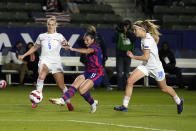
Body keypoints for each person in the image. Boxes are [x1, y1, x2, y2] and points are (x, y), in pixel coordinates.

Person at [114, 20, 184, 114]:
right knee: (130, 81)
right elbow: (157, 38)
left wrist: (133, 56)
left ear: (142, 29)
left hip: (156, 68)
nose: (134, 32)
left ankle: (179, 102)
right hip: (146, 66)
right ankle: (125, 106)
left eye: (135, 30)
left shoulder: (147, 41)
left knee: (164, 88)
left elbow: (146, 57)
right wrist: (154, 46)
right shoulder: (147, 36)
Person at [18, 16, 74, 111]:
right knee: (41, 75)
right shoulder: (42, 36)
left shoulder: (59, 36)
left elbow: (67, 45)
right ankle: (36, 100)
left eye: (52, 25)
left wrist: (66, 45)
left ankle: (68, 102)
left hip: (56, 62)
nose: (50, 26)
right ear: (46, 25)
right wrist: (24, 55)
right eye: (49, 24)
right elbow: (35, 47)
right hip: (44, 60)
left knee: (61, 85)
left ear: (55, 25)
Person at [49, 31, 103, 113]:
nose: (85, 42)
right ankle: (62, 99)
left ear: (93, 40)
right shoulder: (89, 47)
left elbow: (88, 51)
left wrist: (72, 49)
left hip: (97, 73)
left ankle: (92, 103)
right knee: (76, 83)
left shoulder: (95, 46)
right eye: (85, 40)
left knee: (81, 90)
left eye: (87, 40)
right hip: (88, 72)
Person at [79, 25, 112, 91]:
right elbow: (82, 44)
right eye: (89, 30)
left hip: (96, 58)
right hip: (88, 57)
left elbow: (103, 46)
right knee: (90, 71)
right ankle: (91, 85)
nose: (89, 31)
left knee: (102, 71)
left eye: (90, 30)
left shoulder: (98, 37)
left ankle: (106, 85)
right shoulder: (86, 37)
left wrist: (104, 55)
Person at [112, 20, 136, 90]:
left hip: (128, 55)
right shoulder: (119, 33)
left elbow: (133, 39)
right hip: (120, 55)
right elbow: (113, 40)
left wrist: (126, 32)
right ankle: (120, 87)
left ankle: (127, 87)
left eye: (127, 25)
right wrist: (117, 32)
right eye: (125, 25)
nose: (126, 27)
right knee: (119, 73)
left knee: (127, 73)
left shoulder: (131, 32)